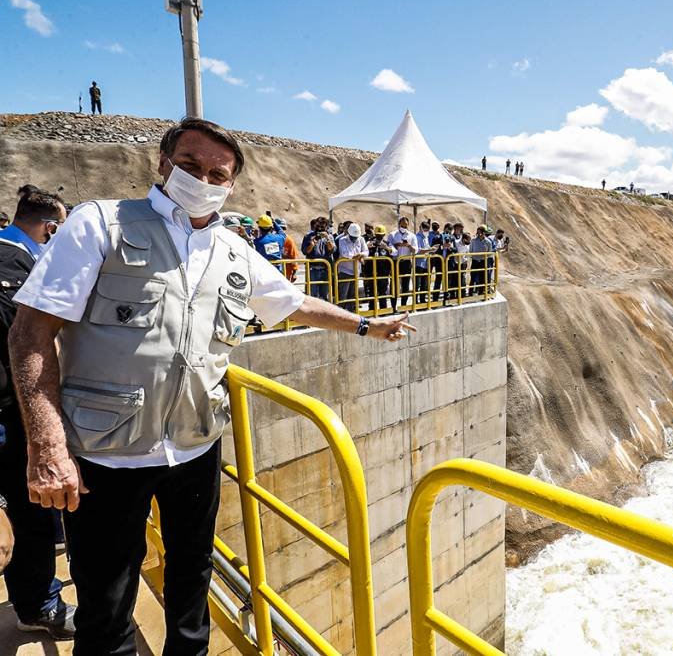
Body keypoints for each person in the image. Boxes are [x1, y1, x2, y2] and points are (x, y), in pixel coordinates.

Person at [7, 116, 415, 655]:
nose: (202, 179)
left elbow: (292, 304)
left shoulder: (232, 249)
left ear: (230, 185)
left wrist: (365, 324)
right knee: (106, 605)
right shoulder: (100, 225)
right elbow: (31, 333)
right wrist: (47, 443)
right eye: (190, 165)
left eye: (217, 174)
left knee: (191, 582)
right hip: (107, 455)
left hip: (195, 447)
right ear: (162, 164)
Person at [0, 185, 74, 640]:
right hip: (9, 414)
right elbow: (27, 343)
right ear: (49, 228)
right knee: (29, 520)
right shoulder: (12, 266)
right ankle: (40, 605)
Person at [301, 216, 335, 301]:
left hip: (325, 269)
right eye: (319, 226)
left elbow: (332, 250)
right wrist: (312, 244)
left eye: (323, 226)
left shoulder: (329, 237)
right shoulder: (308, 236)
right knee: (313, 296)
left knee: (325, 295)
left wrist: (327, 239)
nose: (320, 228)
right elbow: (305, 251)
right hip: (313, 269)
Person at [335, 223, 368, 311]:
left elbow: (366, 251)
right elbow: (344, 253)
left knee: (352, 295)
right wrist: (357, 256)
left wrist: (361, 254)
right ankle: (340, 314)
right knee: (343, 295)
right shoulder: (342, 240)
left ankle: (350, 314)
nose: (354, 239)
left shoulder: (361, 239)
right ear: (349, 233)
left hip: (356, 271)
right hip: (345, 271)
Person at [387, 216, 418, 307]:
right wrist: (397, 245)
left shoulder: (412, 236)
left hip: (406, 262)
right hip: (395, 262)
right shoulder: (392, 235)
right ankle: (393, 307)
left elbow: (415, 250)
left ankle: (404, 306)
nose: (404, 227)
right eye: (402, 225)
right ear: (399, 224)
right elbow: (389, 248)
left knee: (405, 285)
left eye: (406, 226)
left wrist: (408, 246)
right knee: (394, 285)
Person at [365, 224, 395, 310]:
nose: (379, 237)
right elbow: (362, 250)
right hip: (371, 272)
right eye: (377, 235)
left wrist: (387, 248)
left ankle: (383, 311)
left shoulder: (387, 244)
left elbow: (394, 252)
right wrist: (368, 247)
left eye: (380, 235)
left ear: (384, 235)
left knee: (382, 293)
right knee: (371, 293)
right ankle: (372, 310)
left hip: (383, 272)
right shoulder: (369, 243)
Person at [469, 226, 493, 296]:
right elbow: (471, 251)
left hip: (483, 261)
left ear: (484, 233)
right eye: (478, 233)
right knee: (473, 277)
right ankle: (470, 292)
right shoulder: (473, 241)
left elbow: (490, 253)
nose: (479, 234)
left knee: (482, 277)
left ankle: (480, 293)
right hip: (475, 261)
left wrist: (484, 255)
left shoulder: (488, 242)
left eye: (481, 233)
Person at [414, 221, 433, 305]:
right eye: (425, 229)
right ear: (421, 228)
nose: (426, 232)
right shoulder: (417, 237)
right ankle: (415, 301)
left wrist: (432, 250)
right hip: (419, 263)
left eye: (428, 230)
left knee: (424, 283)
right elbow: (418, 250)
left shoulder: (426, 238)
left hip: (426, 263)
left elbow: (427, 248)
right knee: (417, 283)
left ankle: (422, 300)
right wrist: (430, 250)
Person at [278, 218, 299, 283]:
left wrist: (295, 272)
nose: (282, 230)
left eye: (283, 228)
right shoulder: (273, 239)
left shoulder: (289, 240)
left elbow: (294, 256)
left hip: (286, 272)